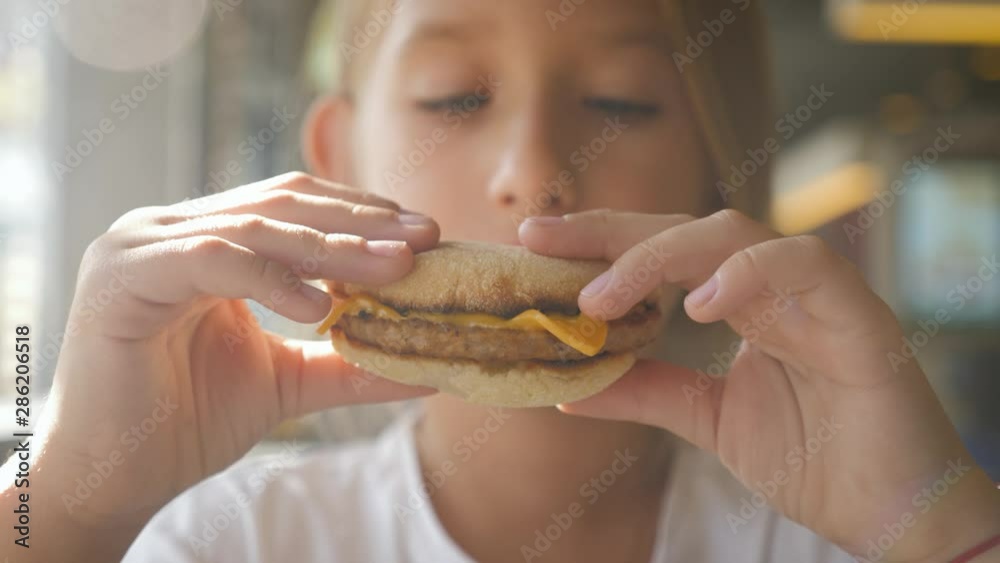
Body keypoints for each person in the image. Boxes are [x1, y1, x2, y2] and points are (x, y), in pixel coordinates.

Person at [3, 0, 999, 561]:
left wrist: (936, 524)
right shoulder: (235, 539)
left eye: (620, 101)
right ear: (338, 158)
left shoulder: (835, 541)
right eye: (455, 96)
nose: (533, 167)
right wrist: (75, 507)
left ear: (716, 175)